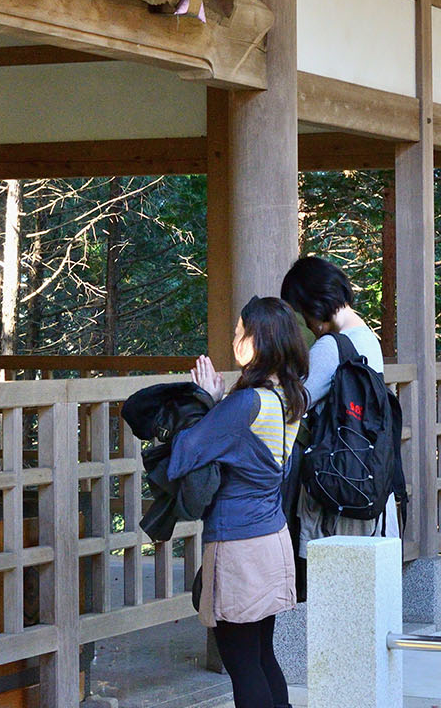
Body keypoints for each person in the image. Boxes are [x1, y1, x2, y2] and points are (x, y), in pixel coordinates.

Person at [167, 297, 309, 708]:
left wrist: (205, 399)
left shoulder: (246, 402)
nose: (233, 339)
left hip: (238, 545)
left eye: (238, 331)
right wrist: (218, 406)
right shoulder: (289, 397)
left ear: (259, 340)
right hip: (271, 538)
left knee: (242, 664)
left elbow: (184, 454)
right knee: (263, 656)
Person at [281, 255, 402, 553]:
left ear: (313, 303)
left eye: (302, 312)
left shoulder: (332, 346)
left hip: (337, 484)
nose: (305, 323)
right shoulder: (367, 338)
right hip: (366, 475)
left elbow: (291, 404)